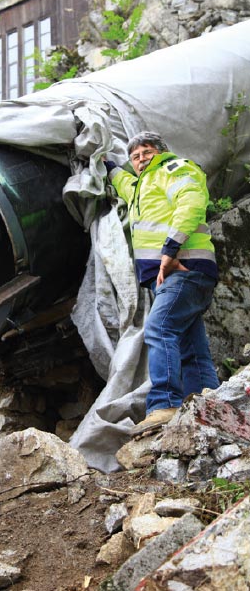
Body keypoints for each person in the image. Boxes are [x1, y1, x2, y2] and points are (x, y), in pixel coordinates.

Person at [109, 131, 220, 435]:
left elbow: (191, 201)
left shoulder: (174, 169)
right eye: (135, 156)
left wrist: (170, 249)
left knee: (160, 328)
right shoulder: (139, 186)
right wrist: (106, 164)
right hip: (171, 275)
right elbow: (122, 181)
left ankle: (165, 404)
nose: (141, 159)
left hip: (184, 266)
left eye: (147, 152)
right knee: (190, 344)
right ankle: (209, 404)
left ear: (161, 153)